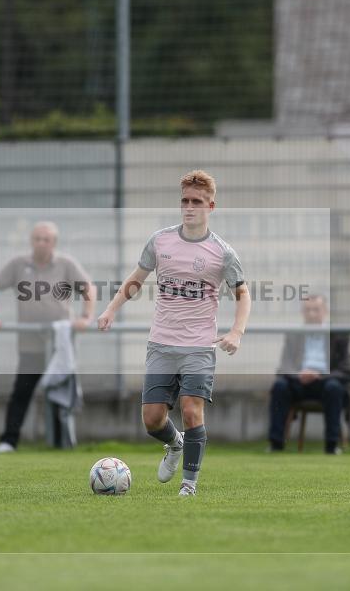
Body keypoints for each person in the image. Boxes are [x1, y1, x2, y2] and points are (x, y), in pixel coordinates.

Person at [98, 170, 251, 496]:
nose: (189, 207)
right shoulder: (160, 241)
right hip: (161, 344)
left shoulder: (222, 252)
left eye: (197, 202)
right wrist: (111, 309)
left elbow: (243, 294)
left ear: (211, 206)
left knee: (192, 411)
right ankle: (175, 444)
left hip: (199, 346)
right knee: (152, 420)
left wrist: (236, 332)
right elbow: (136, 279)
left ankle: (188, 485)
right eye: (185, 201)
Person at [0, 221, 96, 453]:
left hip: (60, 346)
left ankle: (62, 443)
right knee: (21, 393)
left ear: (54, 242)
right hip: (30, 346)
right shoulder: (18, 264)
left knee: (61, 393)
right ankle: (8, 441)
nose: (41, 243)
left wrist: (86, 317)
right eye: (37, 238)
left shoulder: (66, 264)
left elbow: (89, 288)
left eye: (46, 239)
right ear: (31, 241)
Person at [266, 294, 350, 454]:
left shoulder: (338, 335)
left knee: (335, 388)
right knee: (279, 386)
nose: (312, 314)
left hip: (325, 381)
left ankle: (332, 446)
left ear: (325, 311)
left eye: (316, 309)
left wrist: (319, 375)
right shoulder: (294, 335)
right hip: (298, 381)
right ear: (302, 312)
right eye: (308, 310)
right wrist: (299, 374)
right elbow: (285, 365)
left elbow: (346, 369)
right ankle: (276, 444)